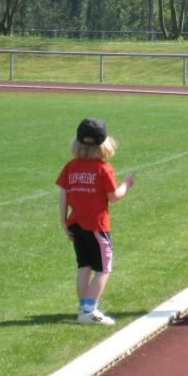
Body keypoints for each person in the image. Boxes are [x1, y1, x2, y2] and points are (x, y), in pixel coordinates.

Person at [56, 118, 135, 326]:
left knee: (84, 266)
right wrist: (126, 185)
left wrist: (63, 221)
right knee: (103, 268)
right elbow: (114, 196)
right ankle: (89, 310)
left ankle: (83, 307)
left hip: (76, 224)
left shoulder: (70, 166)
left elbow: (63, 194)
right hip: (97, 227)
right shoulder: (103, 168)